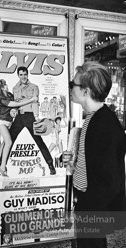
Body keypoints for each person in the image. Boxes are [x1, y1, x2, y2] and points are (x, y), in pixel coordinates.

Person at [64, 61, 126, 248]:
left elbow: (110, 180)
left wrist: (89, 210)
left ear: (86, 91)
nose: (70, 88)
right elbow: (95, 165)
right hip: (87, 202)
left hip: (92, 207)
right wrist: (74, 163)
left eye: (72, 84)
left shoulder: (103, 126)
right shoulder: (94, 118)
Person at [9, 66, 56, 175]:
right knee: (9, 140)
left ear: (27, 74)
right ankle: (1, 166)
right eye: (21, 75)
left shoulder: (34, 87)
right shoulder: (15, 88)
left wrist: (36, 116)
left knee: (39, 141)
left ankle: (50, 164)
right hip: (19, 117)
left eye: (25, 74)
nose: (23, 77)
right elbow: (15, 104)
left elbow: (35, 102)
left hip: (30, 116)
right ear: (18, 75)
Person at [0, 78, 38, 176]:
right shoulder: (1, 99)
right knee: (9, 142)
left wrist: (16, 109)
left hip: (9, 123)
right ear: (1, 88)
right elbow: (16, 104)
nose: (7, 86)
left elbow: (16, 105)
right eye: (5, 85)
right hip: (2, 122)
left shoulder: (9, 95)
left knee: (4, 144)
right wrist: (31, 100)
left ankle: (0, 167)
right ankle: (2, 167)